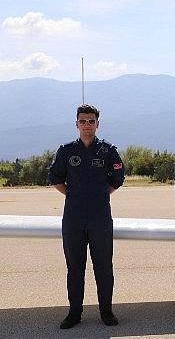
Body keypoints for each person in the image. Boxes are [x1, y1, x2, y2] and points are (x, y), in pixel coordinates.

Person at [48, 104, 125, 329]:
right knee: (75, 267)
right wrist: (73, 195)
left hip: (100, 216)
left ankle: (106, 311)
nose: (87, 125)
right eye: (83, 121)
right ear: (77, 124)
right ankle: (74, 313)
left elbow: (118, 178)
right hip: (73, 217)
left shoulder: (108, 150)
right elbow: (55, 177)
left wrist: (100, 195)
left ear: (97, 124)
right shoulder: (66, 150)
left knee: (103, 266)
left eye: (91, 121)